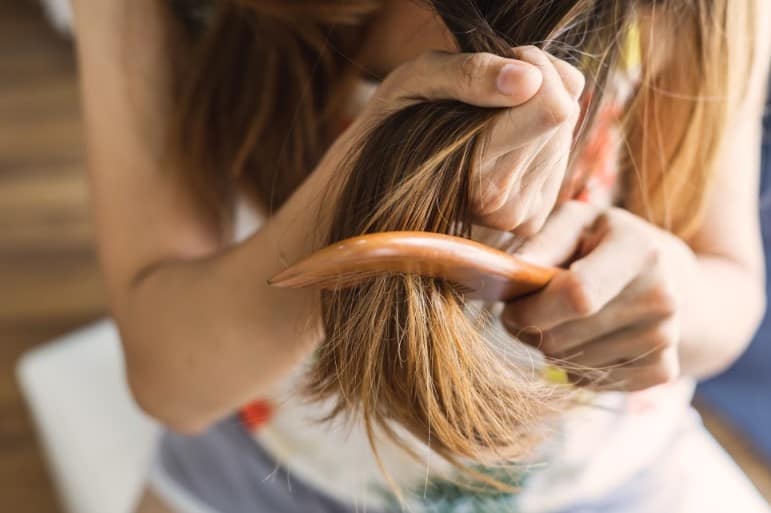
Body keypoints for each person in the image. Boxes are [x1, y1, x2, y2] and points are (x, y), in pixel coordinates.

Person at [69, 0, 771, 512]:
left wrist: (671, 298)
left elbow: (729, 290)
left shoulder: (692, 13)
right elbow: (171, 382)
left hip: (600, 483)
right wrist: (365, 179)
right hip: (258, 476)